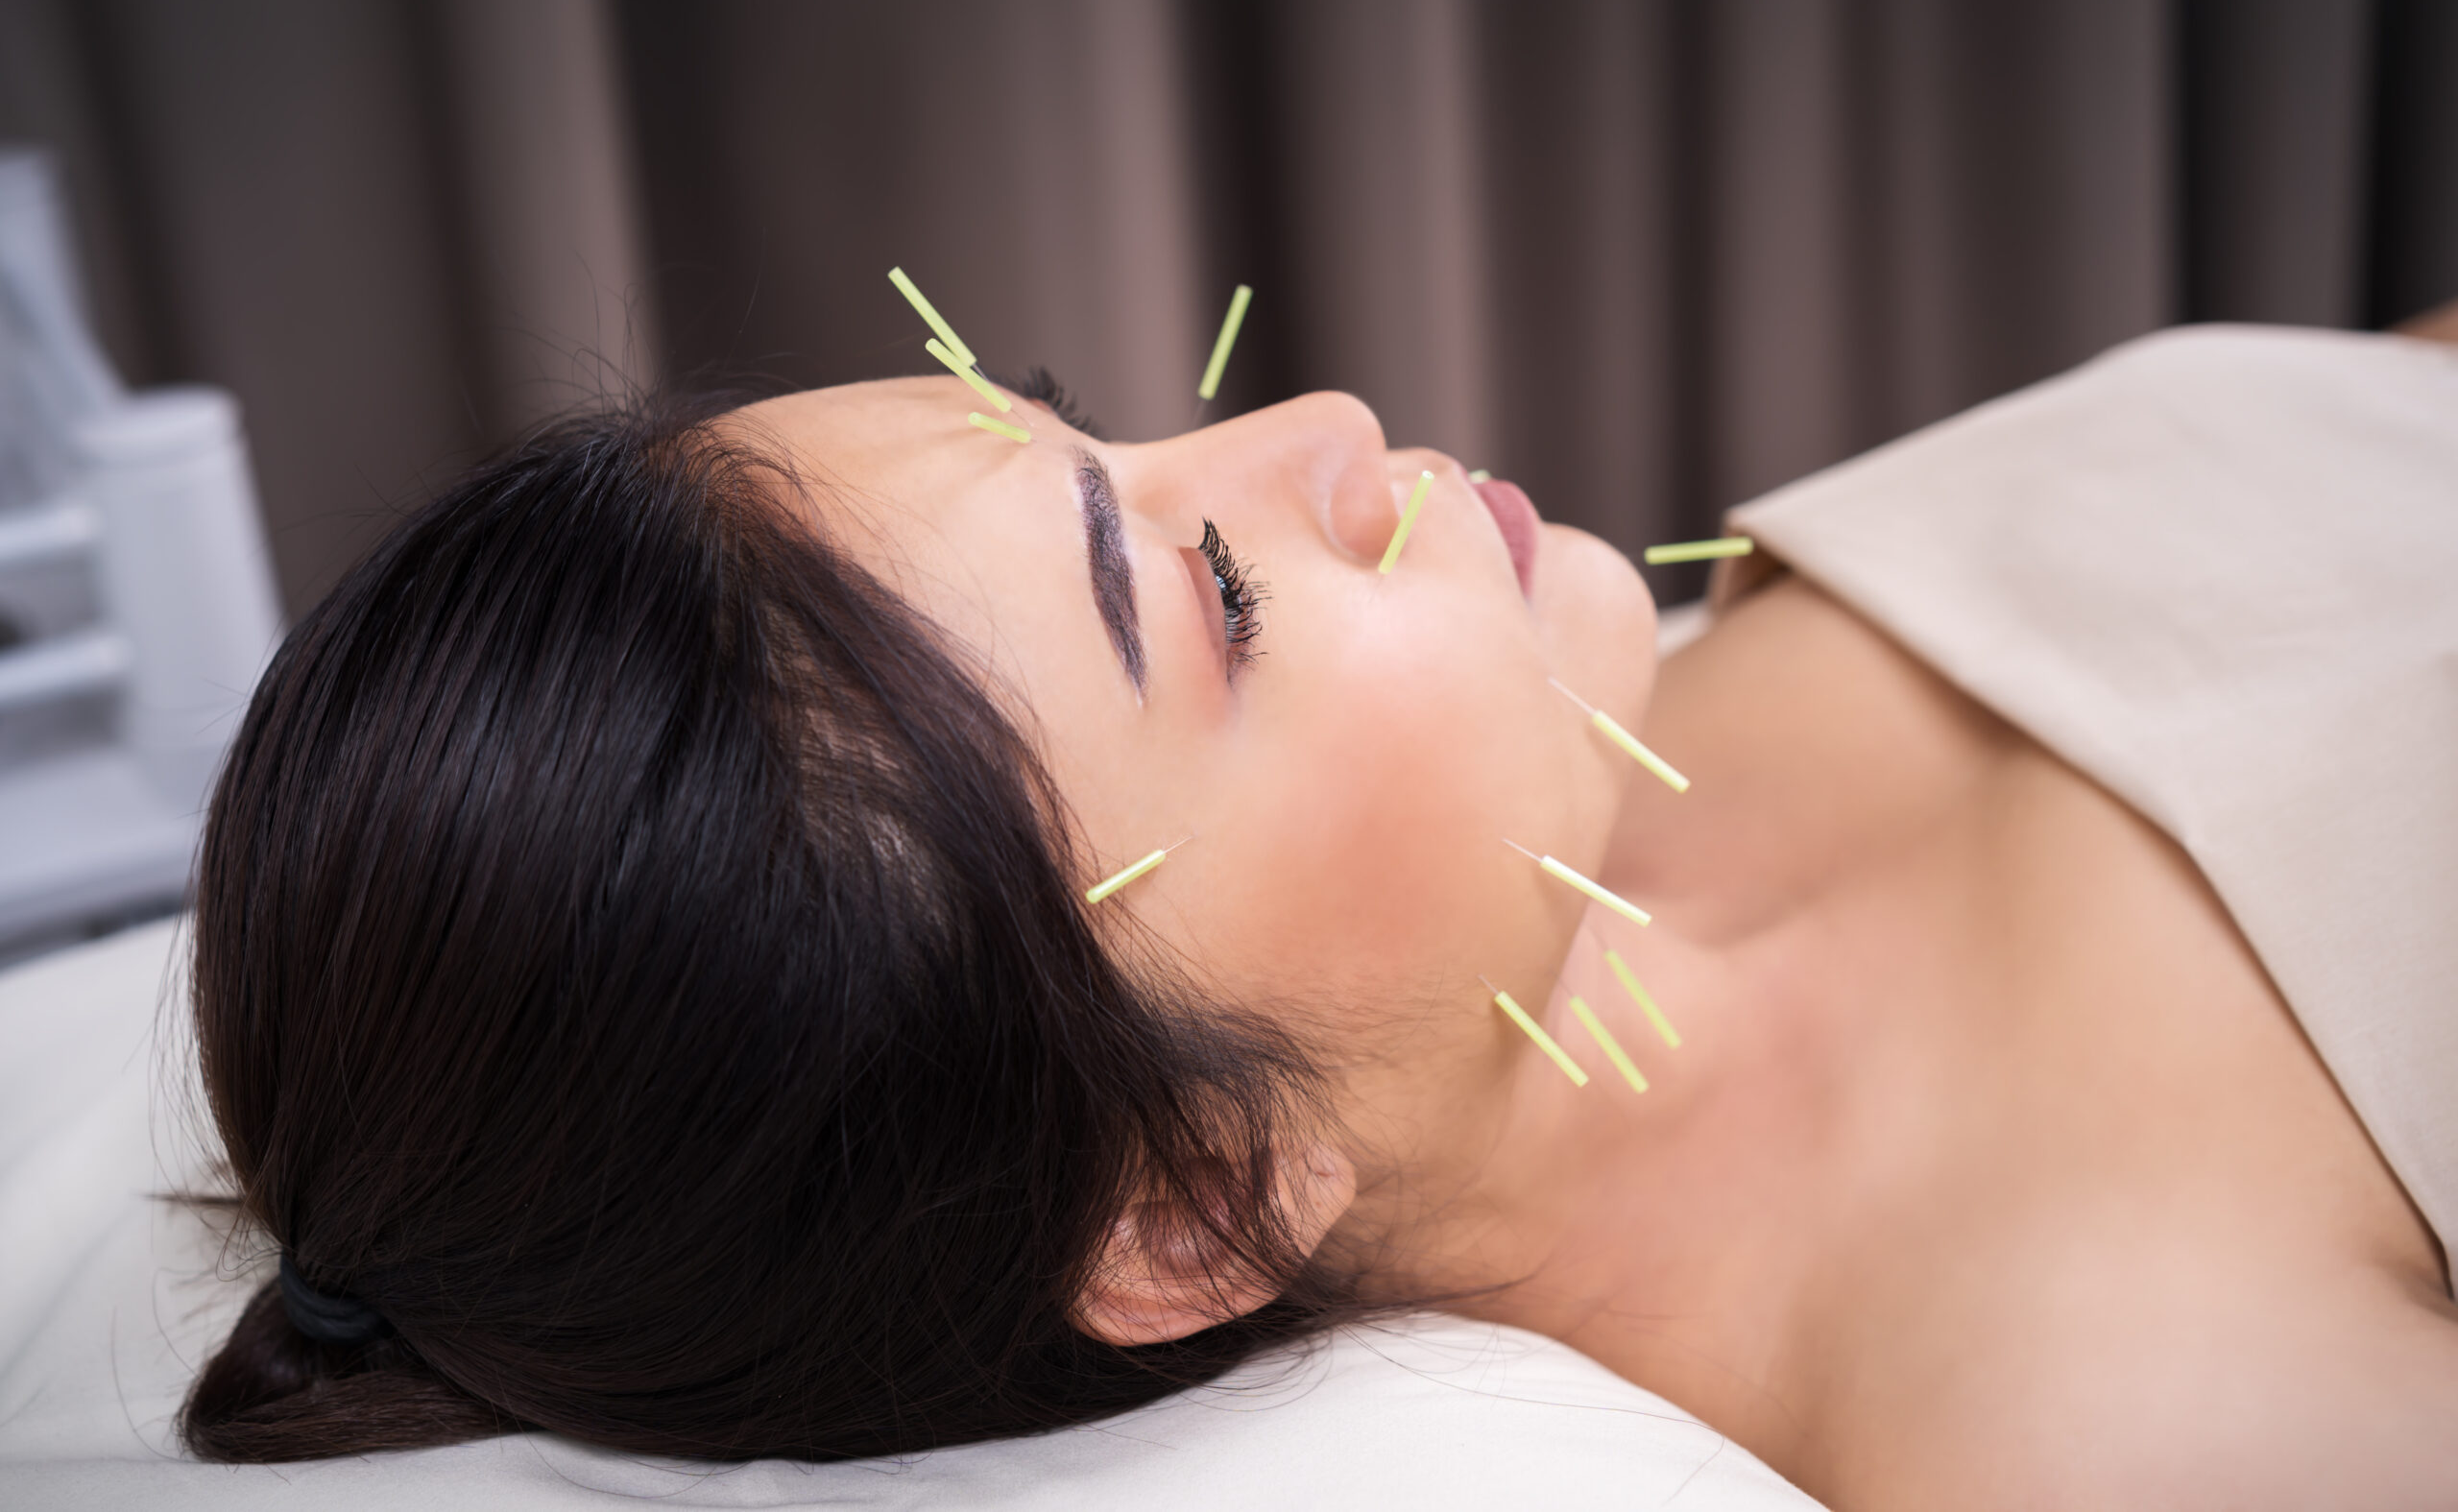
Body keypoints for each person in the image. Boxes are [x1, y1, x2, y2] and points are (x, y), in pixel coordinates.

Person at [181, 317, 2458, 1506]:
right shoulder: (2125, 1431)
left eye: (1092, 432)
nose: (1330, 423)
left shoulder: (1610, 708)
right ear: (1190, 1196)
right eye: (1217, 599)